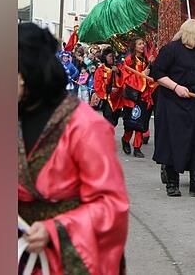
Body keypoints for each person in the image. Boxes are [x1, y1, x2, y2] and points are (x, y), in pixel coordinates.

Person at [17, 23, 129, 274]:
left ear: (25, 73)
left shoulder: (85, 126)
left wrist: (54, 229)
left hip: (64, 260)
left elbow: (110, 205)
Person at [150, 19, 195, 197]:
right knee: (173, 141)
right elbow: (158, 73)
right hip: (173, 103)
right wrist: (176, 87)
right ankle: (172, 183)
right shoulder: (170, 49)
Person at [118, 38, 156, 158]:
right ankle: (125, 140)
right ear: (134, 46)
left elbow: (149, 77)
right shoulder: (129, 60)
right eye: (139, 44)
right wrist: (142, 76)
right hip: (132, 96)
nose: (142, 45)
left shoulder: (145, 59)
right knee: (130, 123)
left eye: (143, 43)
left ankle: (137, 147)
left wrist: (150, 65)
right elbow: (126, 79)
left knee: (140, 123)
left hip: (143, 96)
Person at [94, 48, 123, 126]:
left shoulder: (118, 68)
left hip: (117, 99)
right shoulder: (100, 70)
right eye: (110, 56)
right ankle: (107, 136)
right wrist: (109, 89)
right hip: (107, 98)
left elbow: (124, 80)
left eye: (113, 56)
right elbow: (97, 85)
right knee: (108, 120)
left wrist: (118, 72)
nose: (112, 58)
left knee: (115, 120)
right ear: (105, 57)